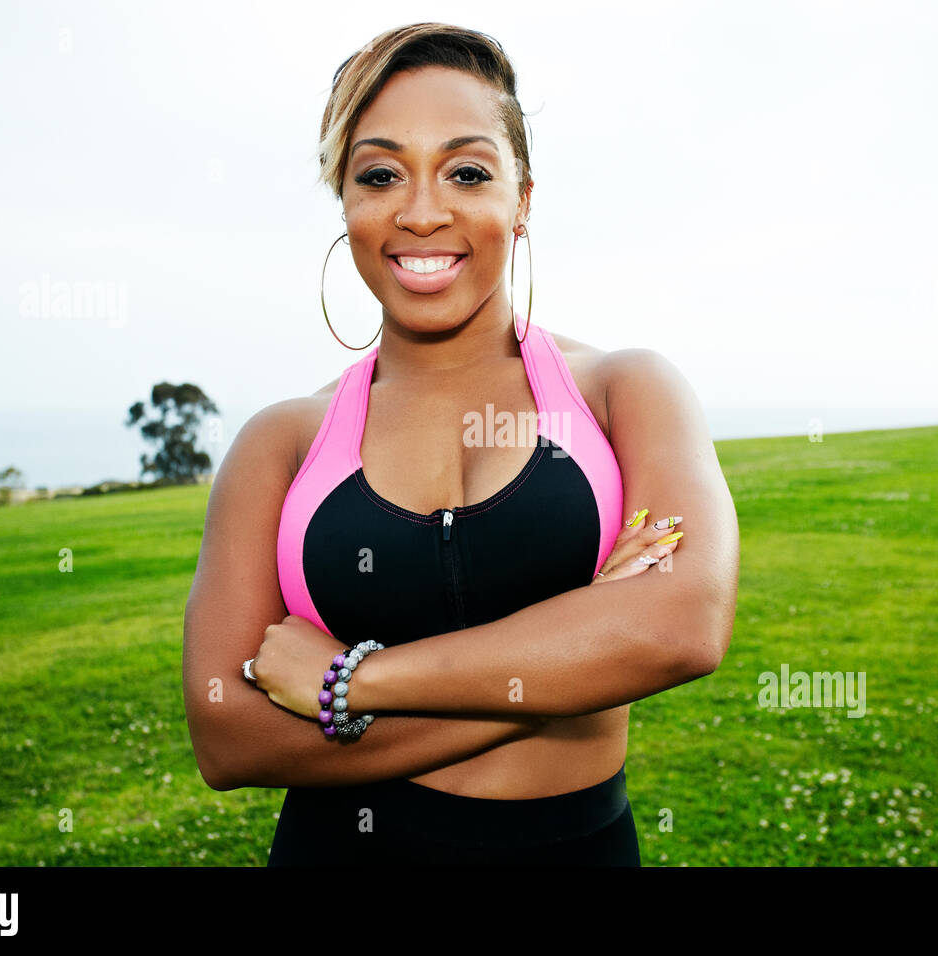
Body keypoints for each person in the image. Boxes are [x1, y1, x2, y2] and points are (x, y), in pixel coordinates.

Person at [182, 22, 739, 866]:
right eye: (379, 175)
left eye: (467, 171)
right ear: (346, 202)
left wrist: (351, 683)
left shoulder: (624, 391)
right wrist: (580, 657)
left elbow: (682, 625)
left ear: (522, 200)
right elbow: (227, 734)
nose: (422, 212)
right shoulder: (282, 443)